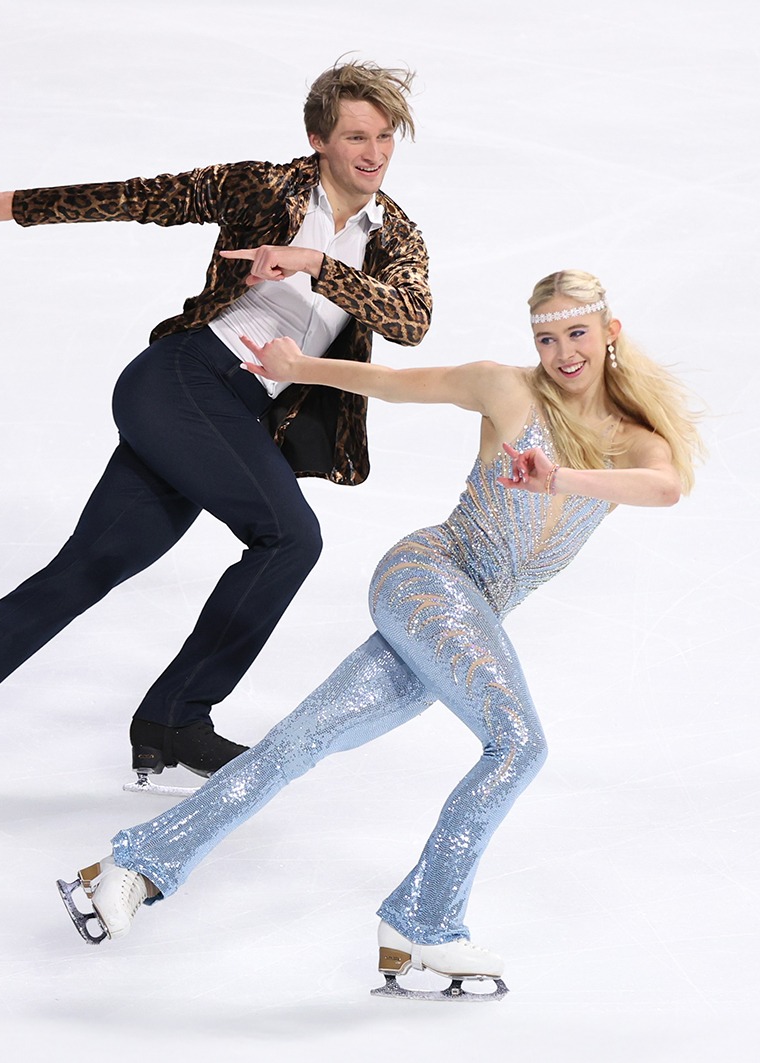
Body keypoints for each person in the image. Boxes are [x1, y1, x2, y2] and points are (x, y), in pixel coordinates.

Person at [56, 270, 704, 1001]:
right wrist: (300, 368)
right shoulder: (508, 388)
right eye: (546, 337)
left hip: (468, 620)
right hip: (428, 576)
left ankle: (131, 865)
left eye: (576, 334)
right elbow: (397, 382)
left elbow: (666, 485)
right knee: (519, 742)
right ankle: (426, 920)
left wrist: (559, 479)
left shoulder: (631, 444)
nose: (562, 352)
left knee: (299, 742)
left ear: (610, 333)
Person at [0, 61, 431, 796]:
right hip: (183, 379)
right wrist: (9, 207)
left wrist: (314, 265)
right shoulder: (262, 185)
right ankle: (177, 718)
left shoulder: (392, 232)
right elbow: (146, 197)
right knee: (291, 537)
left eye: (384, 136)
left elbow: (412, 320)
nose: (373, 153)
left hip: (235, 414)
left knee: (85, 569)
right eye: (355, 136)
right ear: (318, 139)